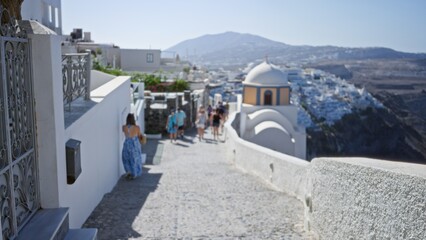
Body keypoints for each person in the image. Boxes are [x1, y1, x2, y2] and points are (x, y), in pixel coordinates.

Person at [121, 113, 143, 180]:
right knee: (135, 159)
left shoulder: (124, 127)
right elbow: (139, 136)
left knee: (126, 158)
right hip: (134, 145)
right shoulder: (137, 127)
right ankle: (134, 173)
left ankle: (129, 172)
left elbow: (125, 132)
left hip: (127, 144)